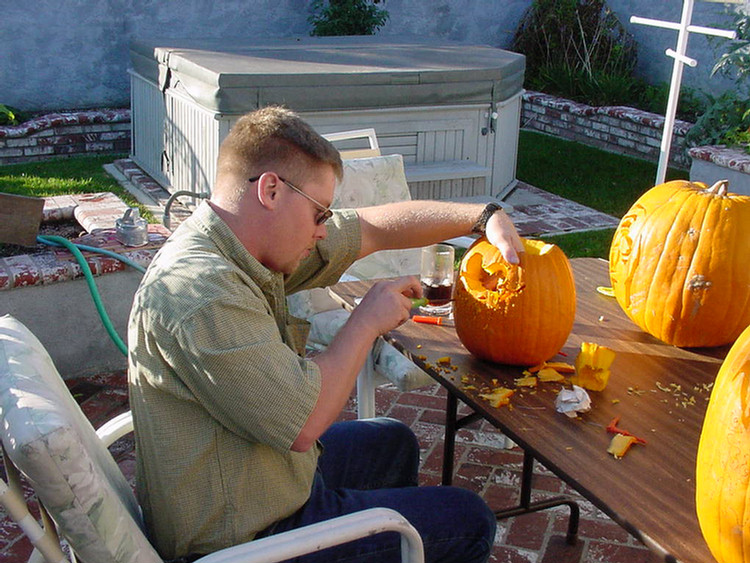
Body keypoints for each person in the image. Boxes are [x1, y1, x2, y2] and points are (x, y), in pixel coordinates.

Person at [127, 105, 524, 563]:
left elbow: (371, 228)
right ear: (271, 190)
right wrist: (366, 321)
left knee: (393, 442)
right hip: (239, 536)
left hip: (253, 470)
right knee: (468, 519)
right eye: (320, 213)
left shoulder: (239, 245)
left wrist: (483, 216)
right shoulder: (201, 292)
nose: (322, 230)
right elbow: (305, 424)